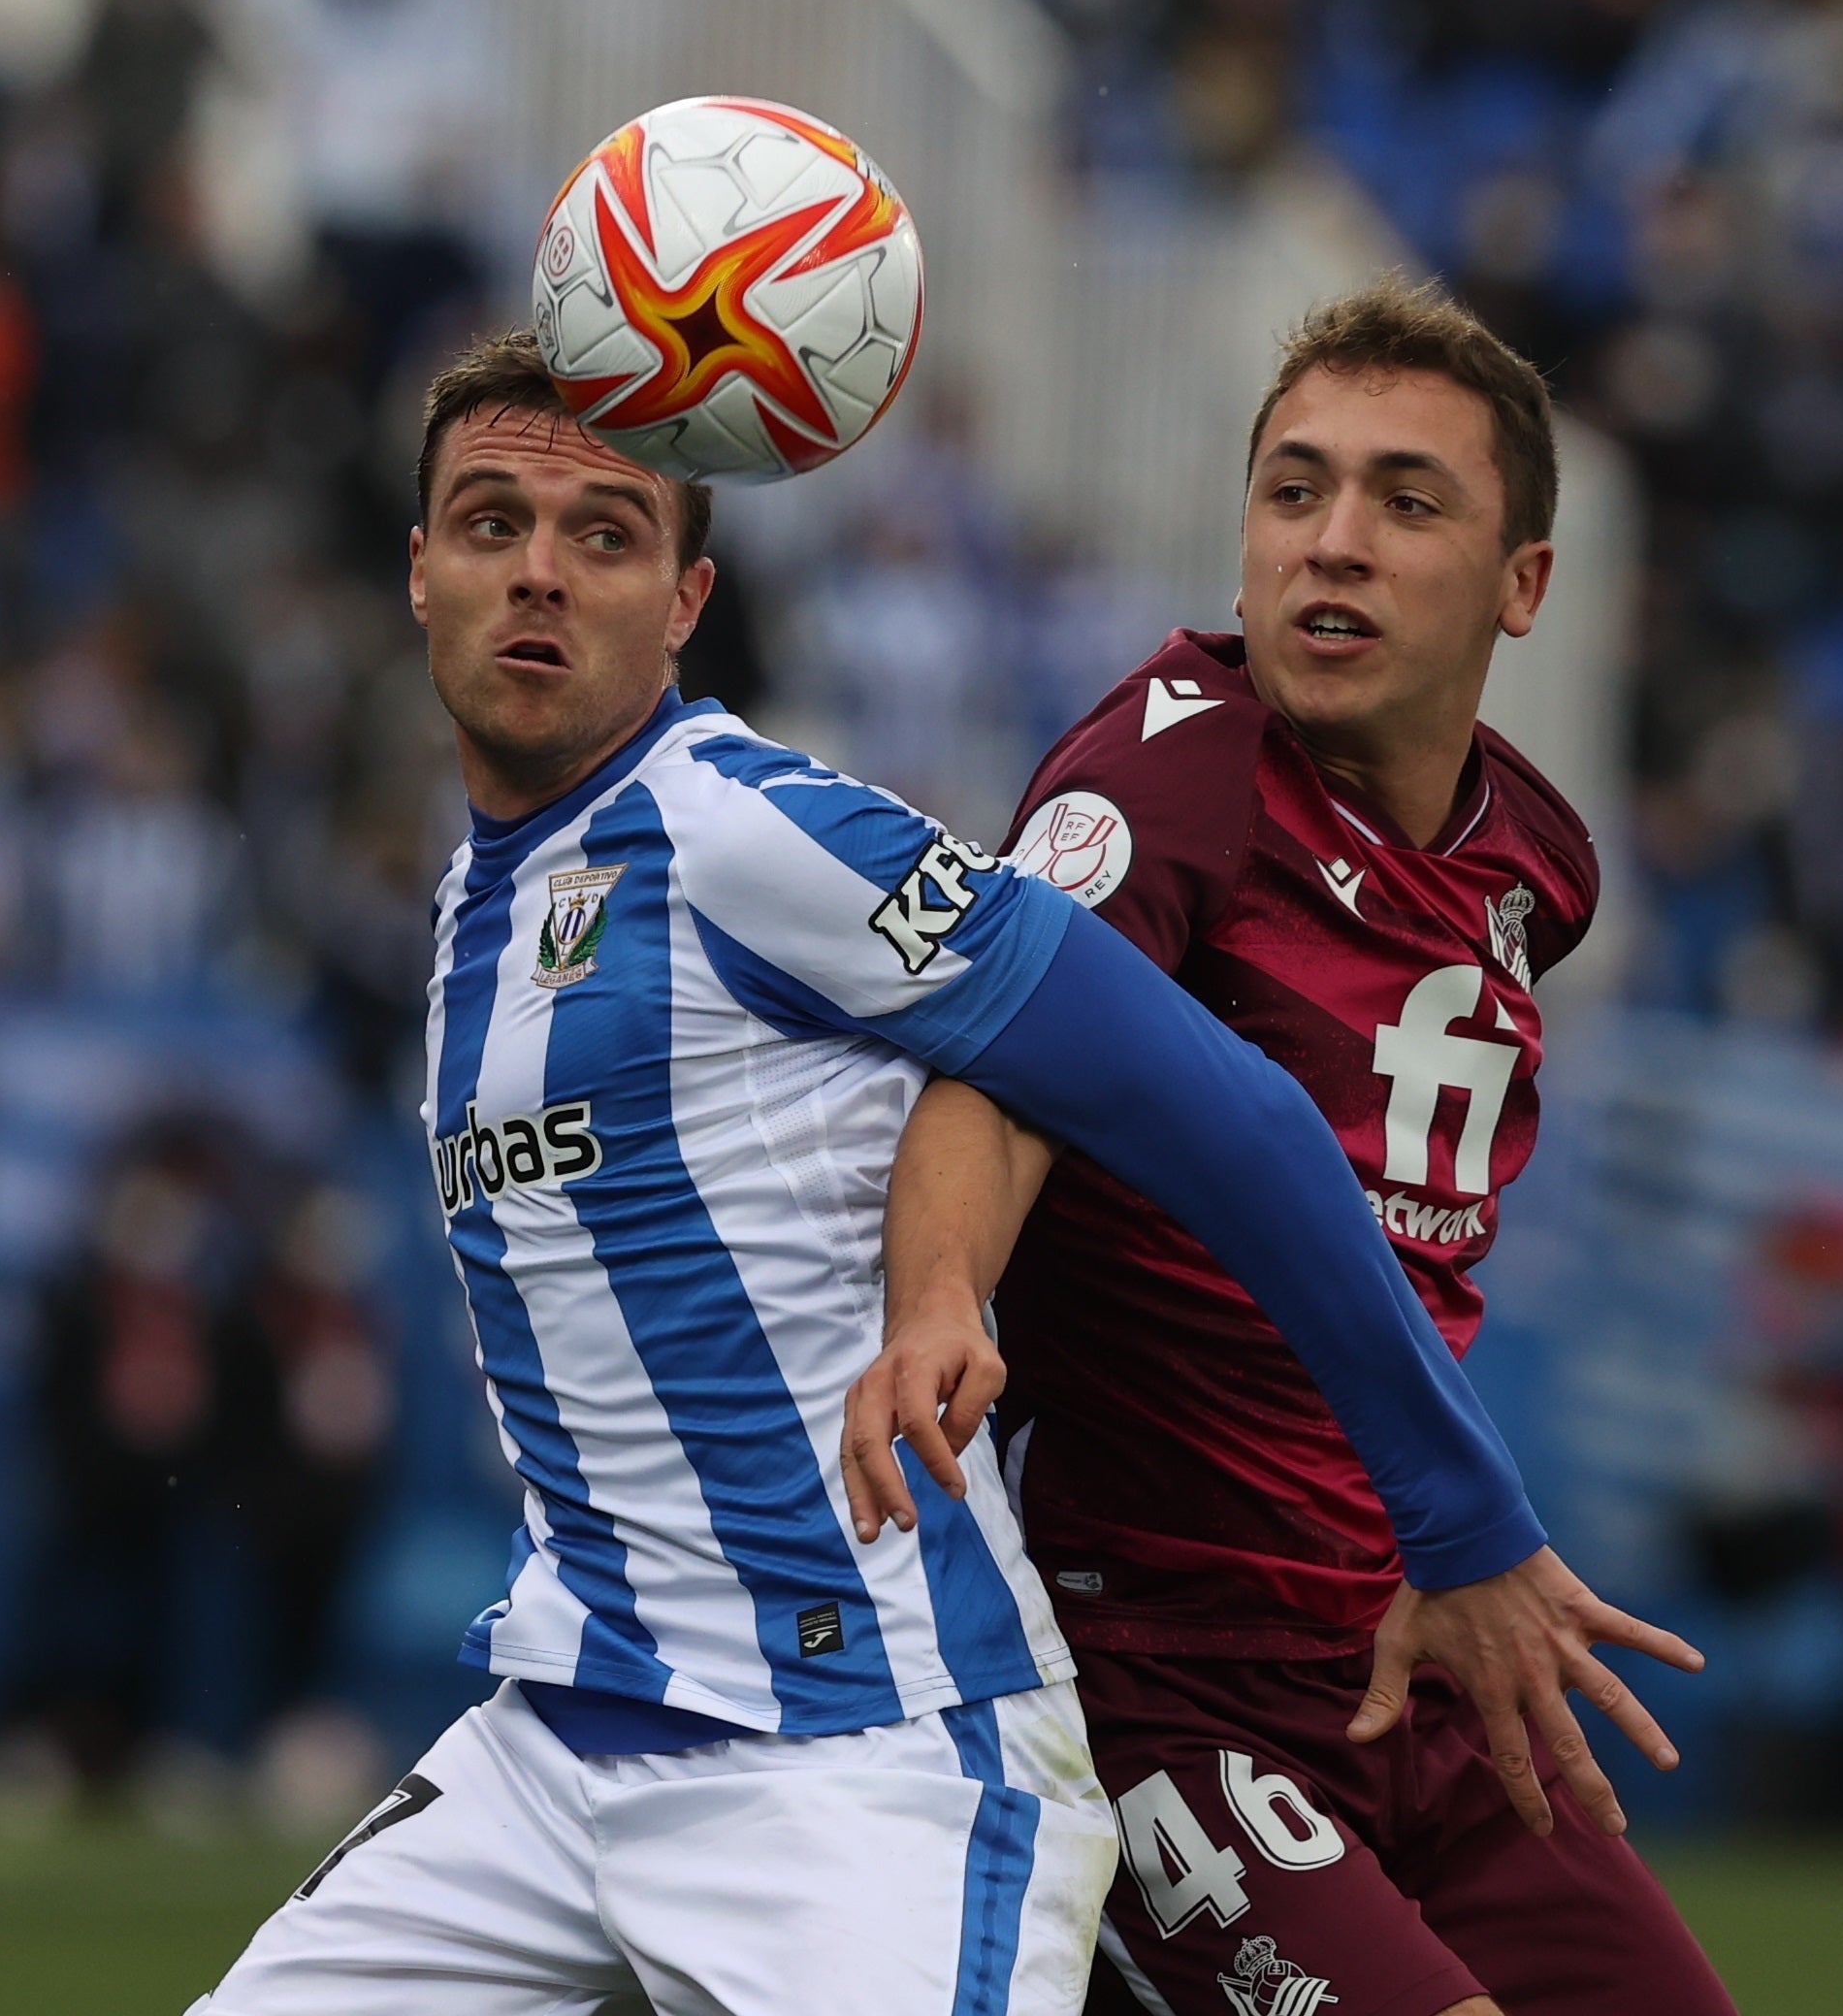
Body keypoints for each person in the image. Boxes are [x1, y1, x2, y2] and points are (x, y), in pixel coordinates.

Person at [193, 328, 1686, 2016]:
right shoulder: (485, 898)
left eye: (604, 532)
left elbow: (1138, 1090)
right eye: (488, 525)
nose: (538, 573)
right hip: (569, 1733)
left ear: (689, 598)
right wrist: (941, 1289)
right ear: (413, 571)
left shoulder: (748, 825)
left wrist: (1456, 1508)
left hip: (864, 1751)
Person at [845, 280, 1736, 2016]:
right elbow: (1004, 1064)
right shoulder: (1170, 775)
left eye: (1408, 503)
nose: (1333, 545)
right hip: (1161, 1675)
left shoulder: (1530, 869)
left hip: (1418, 1641)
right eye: (1292, 491)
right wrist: (941, 1292)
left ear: (1524, 584)